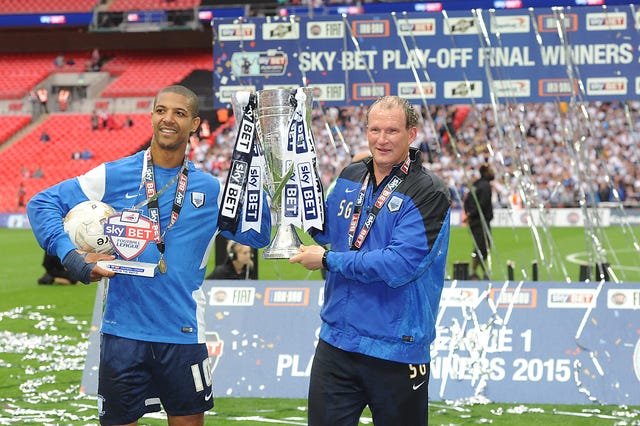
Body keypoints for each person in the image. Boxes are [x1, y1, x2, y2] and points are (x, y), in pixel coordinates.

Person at [27, 85, 272, 426]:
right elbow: (41, 204)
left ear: (194, 124)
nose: (168, 119)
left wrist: (256, 177)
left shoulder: (212, 190)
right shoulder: (113, 175)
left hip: (183, 334)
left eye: (179, 113)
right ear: (152, 116)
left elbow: (258, 236)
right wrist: (72, 259)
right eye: (161, 111)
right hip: (123, 334)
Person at [289, 96, 451, 425]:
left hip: (396, 347)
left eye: (392, 130)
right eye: (374, 129)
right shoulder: (350, 175)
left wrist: (328, 260)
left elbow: (398, 265)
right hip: (337, 342)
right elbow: (329, 233)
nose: (381, 139)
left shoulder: (429, 192)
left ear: (412, 134)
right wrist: (287, 204)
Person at [463, 162, 495, 280]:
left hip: (474, 221)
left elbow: (467, 201)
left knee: (480, 245)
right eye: (490, 170)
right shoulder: (485, 186)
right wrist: (473, 214)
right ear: (485, 172)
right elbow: (482, 204)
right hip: (481, 221)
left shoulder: (476, 185)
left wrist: (469, 214)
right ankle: (474, 272)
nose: (493, 173)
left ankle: (479, 271)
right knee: (482, 246)